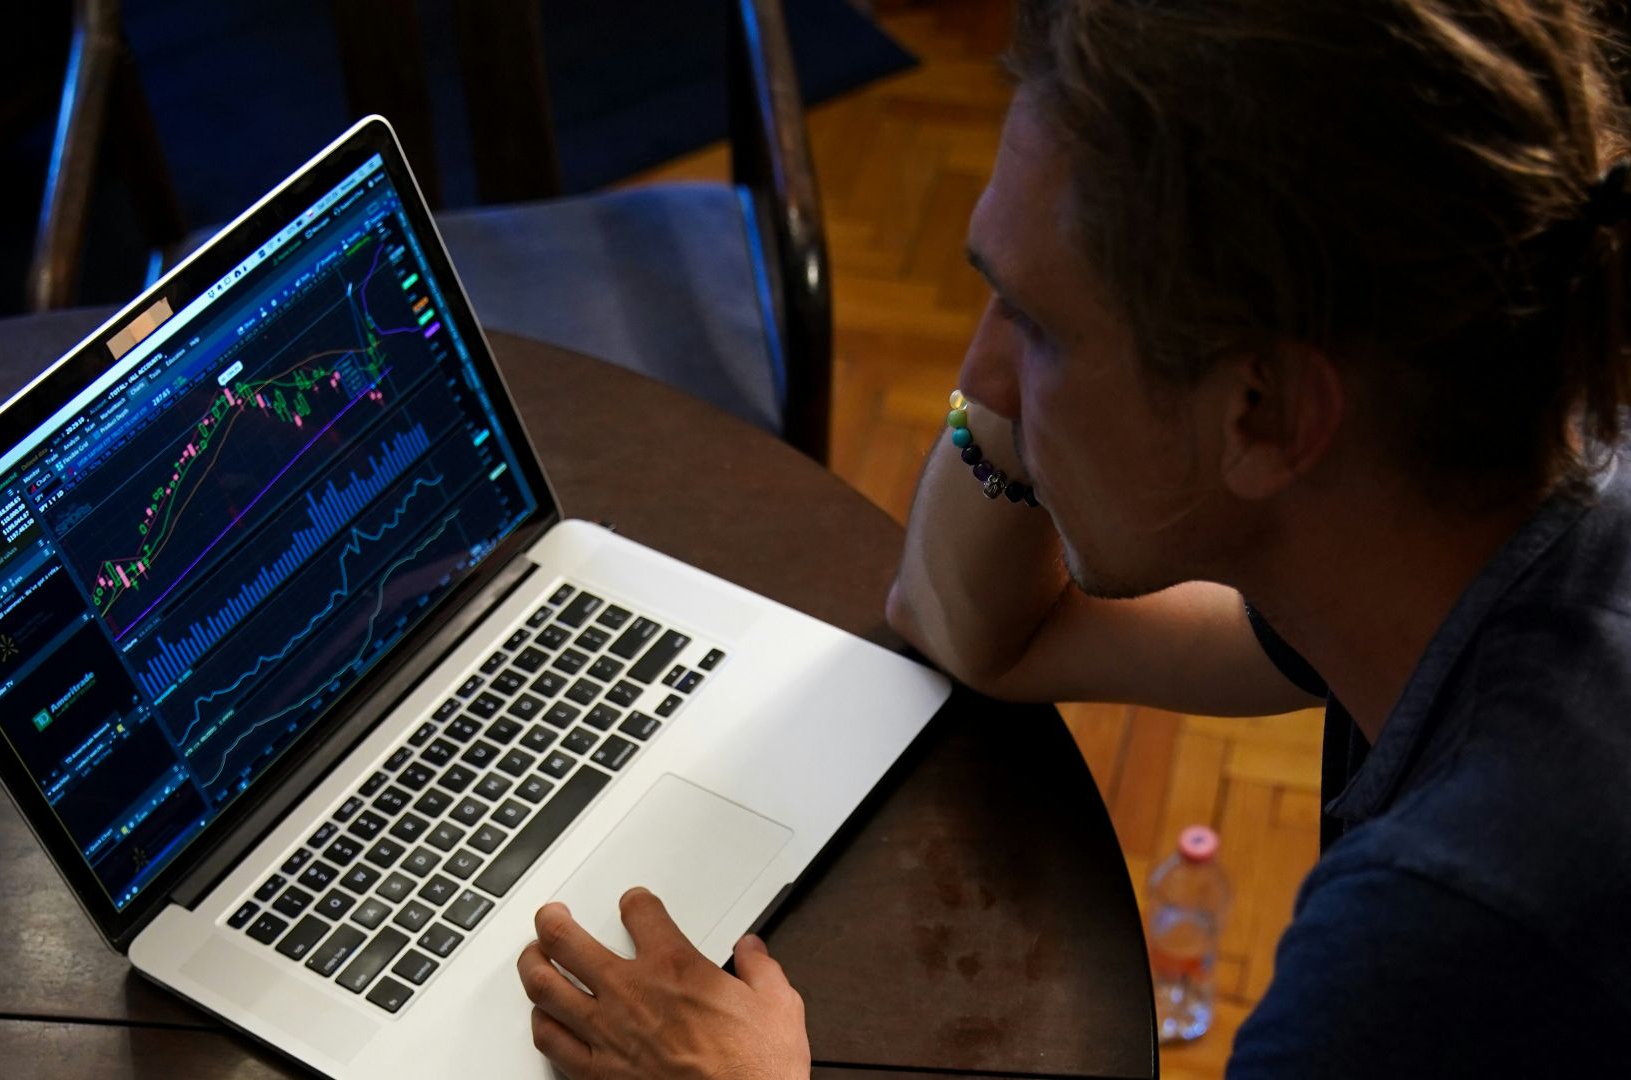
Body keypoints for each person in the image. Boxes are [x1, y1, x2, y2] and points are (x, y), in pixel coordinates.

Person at [514, 0, 1631, 1075]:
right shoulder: (1473, 500)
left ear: (1272, 415)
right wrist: (1035, 354)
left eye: (1038, 330)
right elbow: (985, 634)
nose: (977, 380)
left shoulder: (1446, 933)